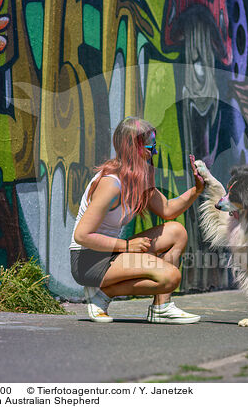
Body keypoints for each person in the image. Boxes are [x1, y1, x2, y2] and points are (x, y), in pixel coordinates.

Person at [70, 116, 205, 324]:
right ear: (133, 147)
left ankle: (162, 307)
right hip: (89, 260)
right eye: (151, 147)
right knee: (170, 277)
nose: (155, 152)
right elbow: (82, 235)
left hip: (113, 253)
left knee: (176, 231)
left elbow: (167, 210)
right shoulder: (111, 184)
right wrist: (126, 245)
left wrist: (197, 190)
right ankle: (102, 294)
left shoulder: (138, 178)